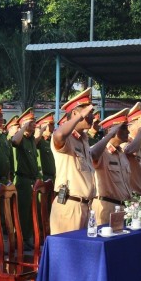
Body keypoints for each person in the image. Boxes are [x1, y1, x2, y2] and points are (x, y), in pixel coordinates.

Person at [49, 88, 100, 234]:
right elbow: (58, 135)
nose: (92, 117)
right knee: (68, 254)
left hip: (85, 206)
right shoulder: (67, 138)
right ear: (76, 114)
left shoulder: (83, 139)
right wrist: (79, 117)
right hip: (69, 205)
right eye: (88, 113)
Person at [91, 109, 131, 230]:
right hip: (106, 207)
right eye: (123, 128)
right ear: (111, 130)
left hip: (123, 207)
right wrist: (109, 136)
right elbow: (92, 154)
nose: (128, 131)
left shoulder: (121, 153)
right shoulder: (101, 151)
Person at [11, 108, 39, 245]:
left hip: (32, 180)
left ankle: (26, 238)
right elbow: (14, 141)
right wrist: (23, 127)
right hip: (22, 180)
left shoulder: (32, 140)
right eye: (32, 122)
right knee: (22, 212)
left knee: (29, 212)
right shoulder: (20, 138)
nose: (35, 125)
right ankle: (20, 240)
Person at [123, 103, 141, 196]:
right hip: (134, 197)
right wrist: (140, 130)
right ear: (129, 127)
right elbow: (130, 150)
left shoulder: (139, 143)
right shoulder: (125, 141)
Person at [36, 113, 56, 183]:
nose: (53, 127)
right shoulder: (40, 141)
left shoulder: (52, 140)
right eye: (51, 124)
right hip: (43, 177)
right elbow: (34, 143)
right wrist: (41, 131)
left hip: (53, 177)